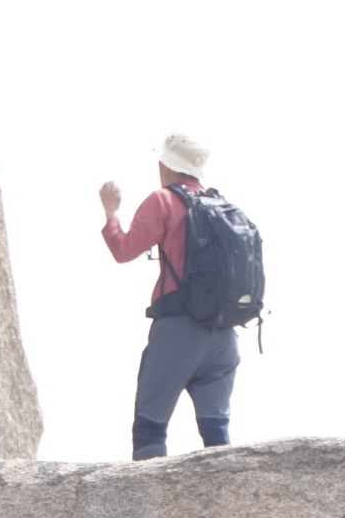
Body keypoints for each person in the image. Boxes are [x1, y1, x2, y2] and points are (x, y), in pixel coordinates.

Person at [100, 132, 240, 461]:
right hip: (225, 335)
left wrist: (111, 213)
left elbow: (124, 250)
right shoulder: (222, 205)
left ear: (166, 165)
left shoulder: (163, 200)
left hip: (179, 330)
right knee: (217, 434)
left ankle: (146, 510)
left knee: (150, 426)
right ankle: (228, 504)